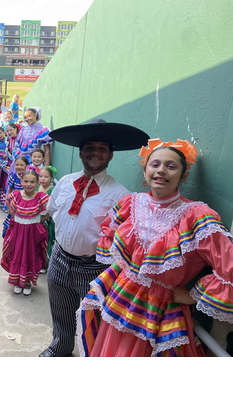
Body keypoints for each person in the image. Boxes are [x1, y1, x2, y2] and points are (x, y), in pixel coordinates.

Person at [76, 138, 233, 357]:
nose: (161, 170)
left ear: (183, 175)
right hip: (120, 296)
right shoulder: (130, 204)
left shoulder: (197, 215)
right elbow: (110, 237)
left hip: (160, 308)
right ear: (145, 171)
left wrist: (193, 296)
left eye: (171, 166)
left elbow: (228, 267)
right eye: (155, 164)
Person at [40, 118, 149, 357]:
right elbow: (51, 212)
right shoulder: (65, 182)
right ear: (80, 153)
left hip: (95, 267)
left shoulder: (121, 196)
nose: (95, 152)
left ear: (110, 156)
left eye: (102, 148)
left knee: (96, 318)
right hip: (59, 258)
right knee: (60, 308)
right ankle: (60, 347)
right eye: (89, 147)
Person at [1, 168, 50, 296]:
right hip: (17, 231)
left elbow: (52, 209)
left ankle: (27, 282)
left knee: (31, 255)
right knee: (17, 254)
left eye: (32, 182)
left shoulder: (42, 197)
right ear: (21, 181)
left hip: (33, 233)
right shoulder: (16, 195)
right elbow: (7, 200)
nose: (29, 184)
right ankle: (17, 281)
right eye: (26, 181)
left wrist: (42, 219)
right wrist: (12, 212)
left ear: (37, 183)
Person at [2, 155, 29, 238]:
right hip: (15, 204)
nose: (19, 167)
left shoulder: (28, 178)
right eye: (17, 165)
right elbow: (10, 192)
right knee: (11, 225)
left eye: (22, 165)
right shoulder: (13, 177)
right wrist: (9, 207)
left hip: (26, 205)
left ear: (26, 166)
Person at [38, 166, 57, 273]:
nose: (43, 179)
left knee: (47, 240)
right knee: (37, 241)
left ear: (51, 178)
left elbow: (54, 206)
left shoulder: (53, 190)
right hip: (36, 218)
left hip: (48, 220)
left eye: (46, 176)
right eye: (41, 176)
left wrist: (47, 217)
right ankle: (37, 262)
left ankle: (45, 264)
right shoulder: (36, 187)